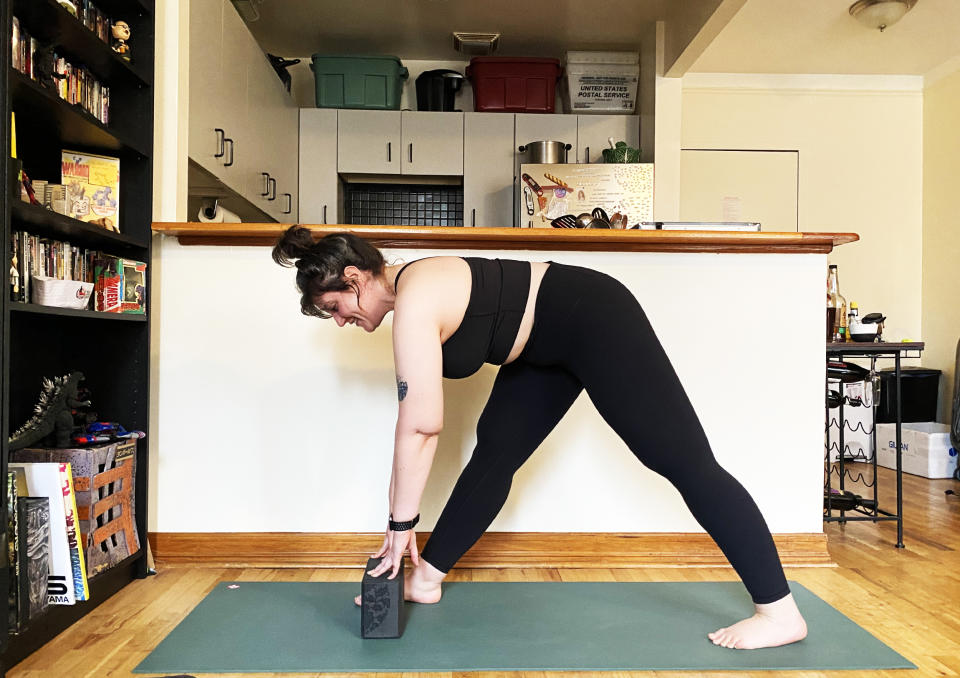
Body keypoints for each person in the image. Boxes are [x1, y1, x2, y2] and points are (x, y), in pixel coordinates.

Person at [272, 226, 808, 650]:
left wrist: (399, 526)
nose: (339, 321)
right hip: (541, 345)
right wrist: (399, 528)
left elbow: (420, 425)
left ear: (354, 277)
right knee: (496, 453)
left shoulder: (414, 300)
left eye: (334, 308)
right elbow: (413, 423)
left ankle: (779, 612)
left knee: (684, 462)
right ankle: (426, 578)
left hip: (592, 317)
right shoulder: (411, 293)